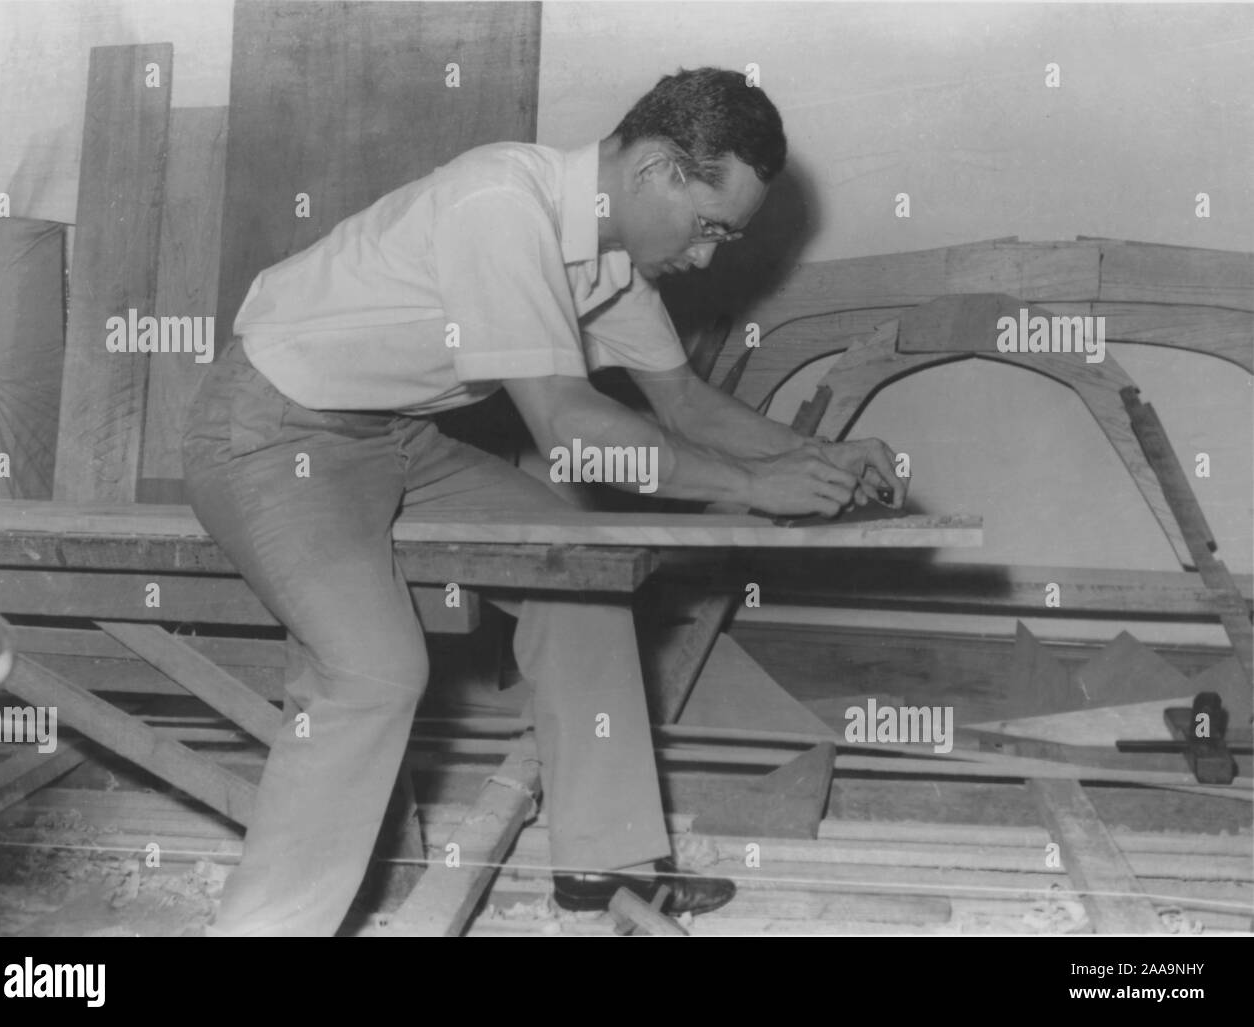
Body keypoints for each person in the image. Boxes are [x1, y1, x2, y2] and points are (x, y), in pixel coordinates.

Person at [182, 67, 906, 936]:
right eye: (709, 226)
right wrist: (755, 486)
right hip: (272, 430)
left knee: (582, 571)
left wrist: (817, 457)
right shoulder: (501, 202)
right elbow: (567, 425)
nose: (709, 255)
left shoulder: (609, 261)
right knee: (372, 672)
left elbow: (685, 405)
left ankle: (607, 875)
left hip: (393, 439)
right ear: (655, 171)